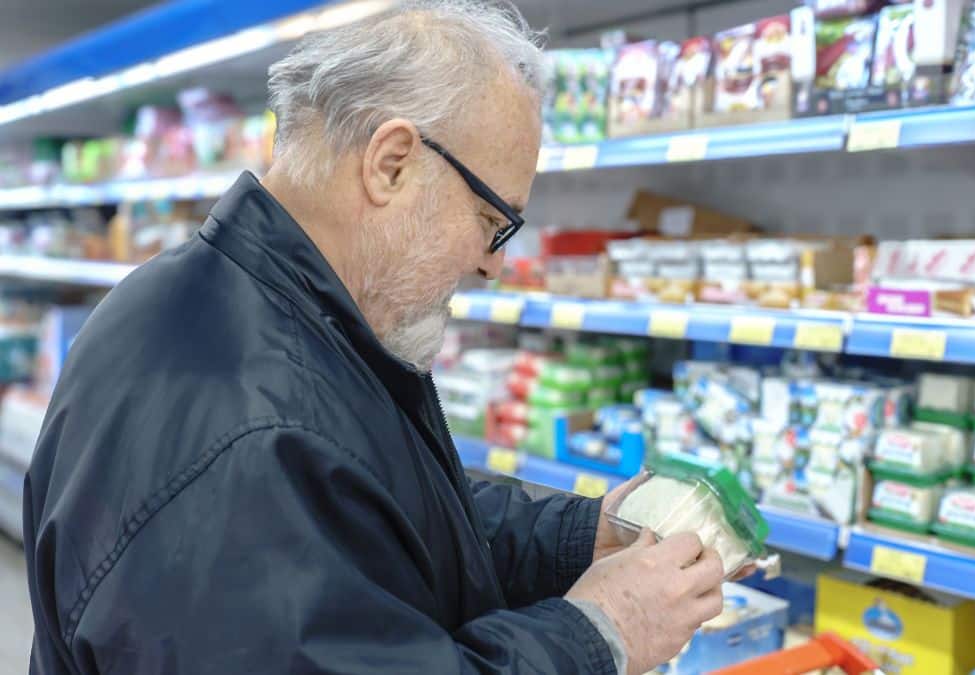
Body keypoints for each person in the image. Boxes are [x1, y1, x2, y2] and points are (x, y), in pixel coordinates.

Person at [23, 2, 727, 674]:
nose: (494, 263)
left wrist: (582, 536)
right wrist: (603, 631)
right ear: (391, 163)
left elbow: (381, 514)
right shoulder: (245, 433)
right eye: (495, 222)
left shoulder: (262, 314)